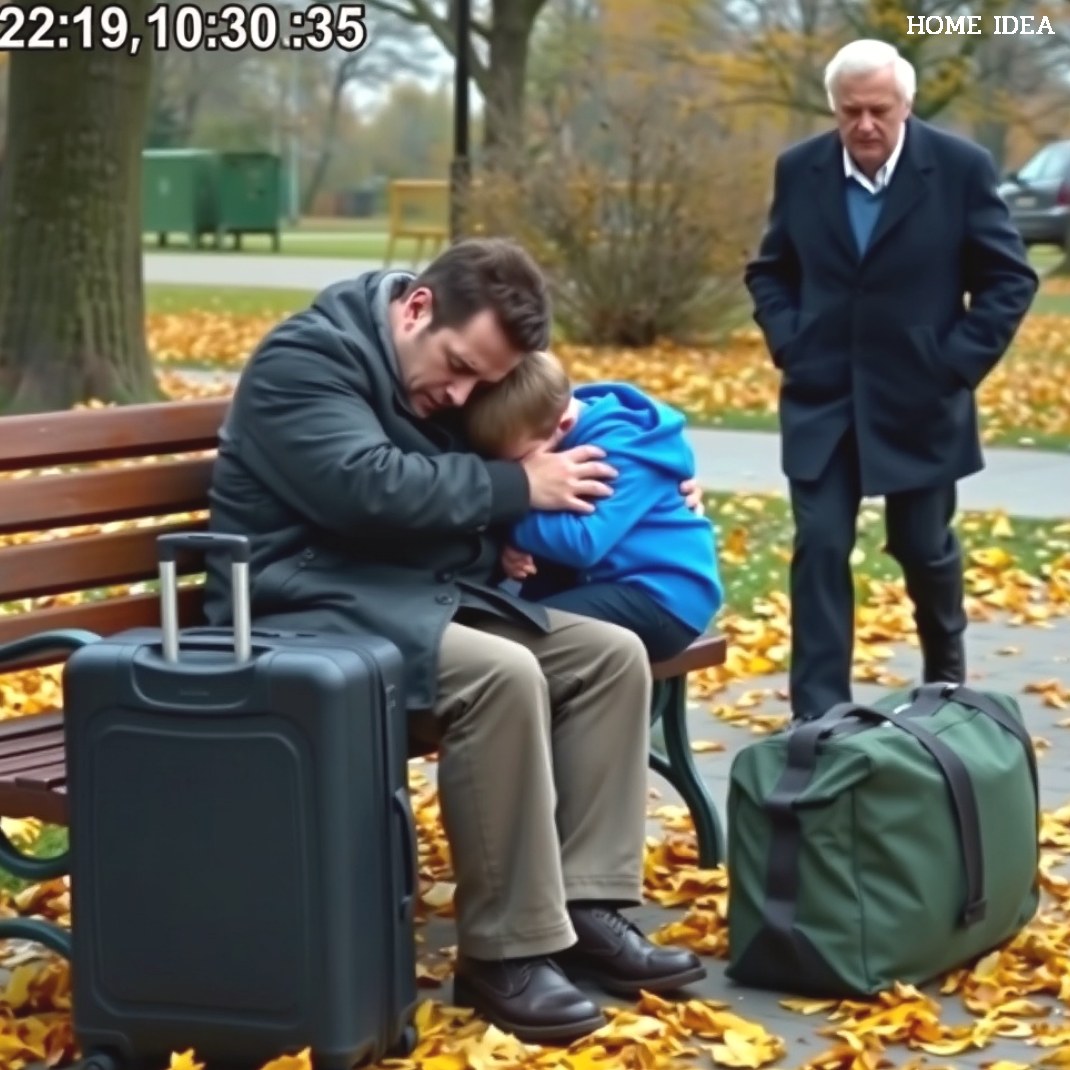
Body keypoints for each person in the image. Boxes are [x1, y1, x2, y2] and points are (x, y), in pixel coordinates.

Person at [202, 238, 708, 1046]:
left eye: (482, 381)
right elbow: (365, 488)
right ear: (416, 309)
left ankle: (585, 908)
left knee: (607, 656)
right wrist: (520, 486)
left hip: (404, 599)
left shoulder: (434, 369)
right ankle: (506, 953)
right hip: (298, 605)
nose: (464, 394)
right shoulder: (307, 361)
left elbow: (545, 411)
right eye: (462, 368)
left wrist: (653, 467)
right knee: (500, 675)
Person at [744, 39, 1039, 723]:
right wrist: (791, 341)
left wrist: (955, 364)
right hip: (823, 397)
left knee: (922, 547)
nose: (865, 125)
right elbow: (770, 271)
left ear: (906, 104)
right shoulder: (801, 169)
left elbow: (1009, 279)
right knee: (820, 545)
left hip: (921, 399)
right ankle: (818, 717)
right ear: (834, 109)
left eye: (879, 109)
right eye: (851, 111)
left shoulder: (960, 168)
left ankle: (946, 681)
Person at [462, 349, 724, 662]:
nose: (520, 472)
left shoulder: (618, 449)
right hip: (605, 583)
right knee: (504, 627)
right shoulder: (549, 422)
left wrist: (510, 518)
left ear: (564, 424)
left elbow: (583, 541)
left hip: (662, 598)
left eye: (520, 460)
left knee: (512, 636)